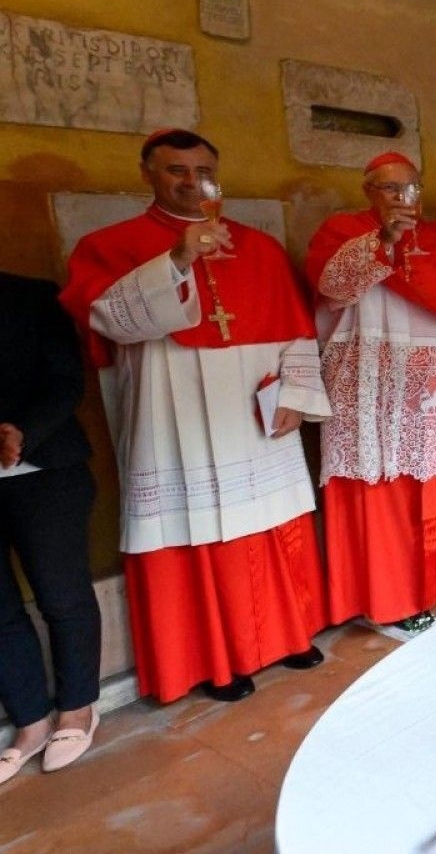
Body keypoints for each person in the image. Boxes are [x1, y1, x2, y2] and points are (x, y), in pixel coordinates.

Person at [60, 129, 332, 703]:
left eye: (202, 170)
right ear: (148, 175)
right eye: (175, 170)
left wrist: (296, 394)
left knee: (272, 518)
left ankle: (287, 635)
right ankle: (217, 659)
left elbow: (297, 330)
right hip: (174, 411)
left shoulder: (259, 248)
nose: (191, 181)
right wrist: (179, 258)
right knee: (196, 529)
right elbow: (109, 321)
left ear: (217, 175)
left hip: (256, 407)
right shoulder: (109, 244)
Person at [307, 151, 436, 633]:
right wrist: (380, 243)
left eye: (409, 187)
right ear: (368, 191)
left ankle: (430, 588)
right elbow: (330, 289)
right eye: (390, 188)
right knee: (380, 491)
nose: (401, 197)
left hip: (429, 390)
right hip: (366, 388)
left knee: (429, 489)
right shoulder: (342, 231)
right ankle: (386, 601)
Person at [0, 273, 100, 781]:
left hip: (44, 470)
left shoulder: (31, 295)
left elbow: (67, 381)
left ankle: (77, 706)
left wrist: (23, 431)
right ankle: (31, 722)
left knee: (62, 596)